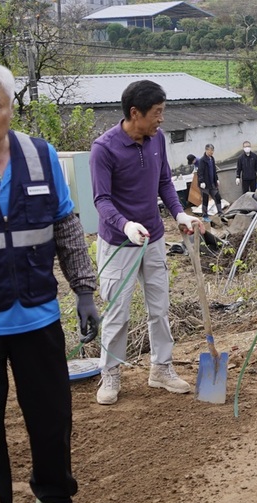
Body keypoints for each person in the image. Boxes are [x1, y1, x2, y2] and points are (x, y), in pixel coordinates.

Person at [0, 62, 98, 503]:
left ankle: (53, 501)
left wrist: (85, 291)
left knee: (51, 418)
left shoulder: (41, 155)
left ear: (10, 107)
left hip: (37, 317)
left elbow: (66, 225)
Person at [90, 79, 203, 406]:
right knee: (117, 312)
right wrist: (125, 226)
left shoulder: (158, 140)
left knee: (160, 307)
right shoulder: (104, 149)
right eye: (156, 113)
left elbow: (164, 181)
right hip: (118, 243)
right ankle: (110, 373)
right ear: (134, 113)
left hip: (153, 237)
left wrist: (179, 214)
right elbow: (101, 199)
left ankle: (161, 368)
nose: (161, 119)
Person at [198, 143, 224, 222]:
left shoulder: (212, 159)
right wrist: (201, 181)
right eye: (210, 150)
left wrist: (216, 179)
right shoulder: (202, 160)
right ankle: (205, 215)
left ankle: (220, 212)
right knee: (205, 199)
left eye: (213, 150)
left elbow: (214, 171)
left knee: (217, 196)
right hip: (205, 184)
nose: (212, 152)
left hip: (212, 182)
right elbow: (200, 172)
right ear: (206, 150)